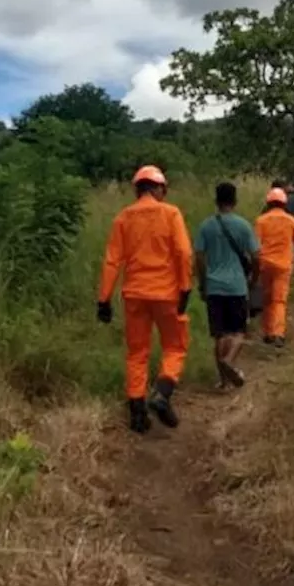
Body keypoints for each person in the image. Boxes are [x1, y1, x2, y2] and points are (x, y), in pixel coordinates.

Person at [97, 165, 194, 434]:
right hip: (166, 293)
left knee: (137, 353)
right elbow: (184, 253)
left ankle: (137, 414)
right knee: (175, 346)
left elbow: (112, 261)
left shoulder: (123, 218)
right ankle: (162, 394)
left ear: (137, 189)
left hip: (135, 295)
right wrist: (185, 288)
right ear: (159, 188)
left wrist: (103, 299)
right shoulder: (171, 213)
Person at [194, 181, 259, 391]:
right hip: (237, 286)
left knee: (220, 334)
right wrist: (253, 279)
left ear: (216, 200)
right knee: (239, 332)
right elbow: (257, 256)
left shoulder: (206, 226)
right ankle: (229, 360)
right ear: (235, 201)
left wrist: (203, 284)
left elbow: (199, 258)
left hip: (214, 287)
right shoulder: (243, 225)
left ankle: (223, 381)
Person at [255, 188, 294, 347]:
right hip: (283, 266)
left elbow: (255, 246)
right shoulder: (291, 221)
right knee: (279, 300)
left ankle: (268, 333)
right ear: (284, 202)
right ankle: (278, 333)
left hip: (264, 265)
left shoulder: (261, 221)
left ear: (268, 202)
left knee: (267, 299)